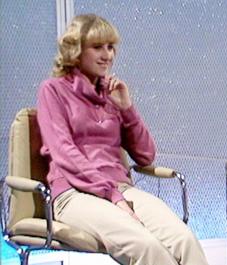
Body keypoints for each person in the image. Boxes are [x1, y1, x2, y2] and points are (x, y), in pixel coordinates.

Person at [37, 14, 208, 265]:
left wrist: (127, 108)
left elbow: (146, 155)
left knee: (185, 241)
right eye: (97, 47)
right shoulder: (53, 90)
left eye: (110, 47)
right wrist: (112, 196)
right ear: (75, 50)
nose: (107, 55)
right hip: (73, 193)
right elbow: (65, 154)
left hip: (120, 188)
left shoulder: (111, 95)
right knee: (147, 246)